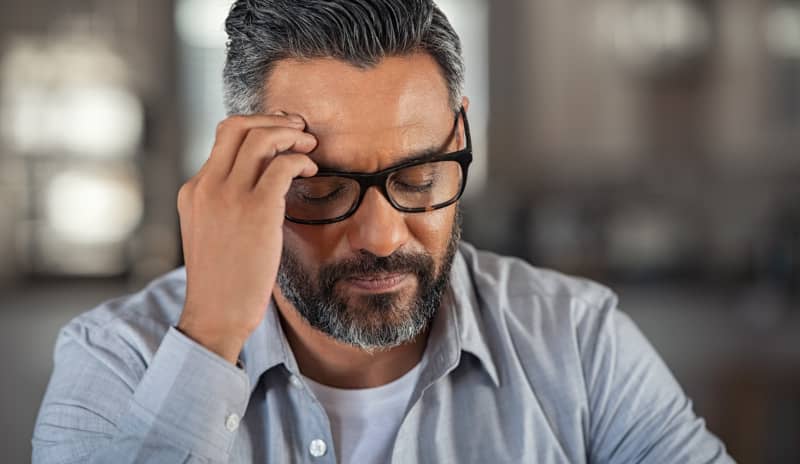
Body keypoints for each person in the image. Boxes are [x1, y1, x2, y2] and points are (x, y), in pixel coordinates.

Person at [32, 1, 734, 463]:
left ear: (460, 137)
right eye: (322, 188)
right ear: (239, 172)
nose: (381, 235)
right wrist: (211, 334)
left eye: (420, 178)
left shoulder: (579, 343)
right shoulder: (115, 360)